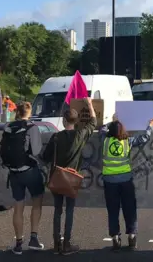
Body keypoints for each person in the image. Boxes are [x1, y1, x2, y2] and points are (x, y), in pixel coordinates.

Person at [41, 98, 96, 255]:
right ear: (76, 120)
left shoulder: (56, 138)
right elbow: (93, 122)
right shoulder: (80, 135)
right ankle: (67, 243)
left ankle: (57, 243)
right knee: (70, 210)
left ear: (64, 121)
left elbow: (45, 157)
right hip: (72, 178)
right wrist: (90, 104)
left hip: (57, 177)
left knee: (57, 211)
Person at [98, 115, 153, 251]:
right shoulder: (127, 141)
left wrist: (113, 120)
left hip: (109, 181)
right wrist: (150, 125)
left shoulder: (105, 140)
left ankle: (115, 238)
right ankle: (131, 235)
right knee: (129, 208)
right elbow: (144, 138)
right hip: (125, 181)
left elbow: (102, 129)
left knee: (113, 210)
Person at [0, 102, 46, 255]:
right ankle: (34, 238)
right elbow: (37, 150)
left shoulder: (8, 127)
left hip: (13, 172)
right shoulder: (32, 128)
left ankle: (18, 243)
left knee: (18, 207)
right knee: (37, 201)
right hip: (29, 170)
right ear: (29, 112)